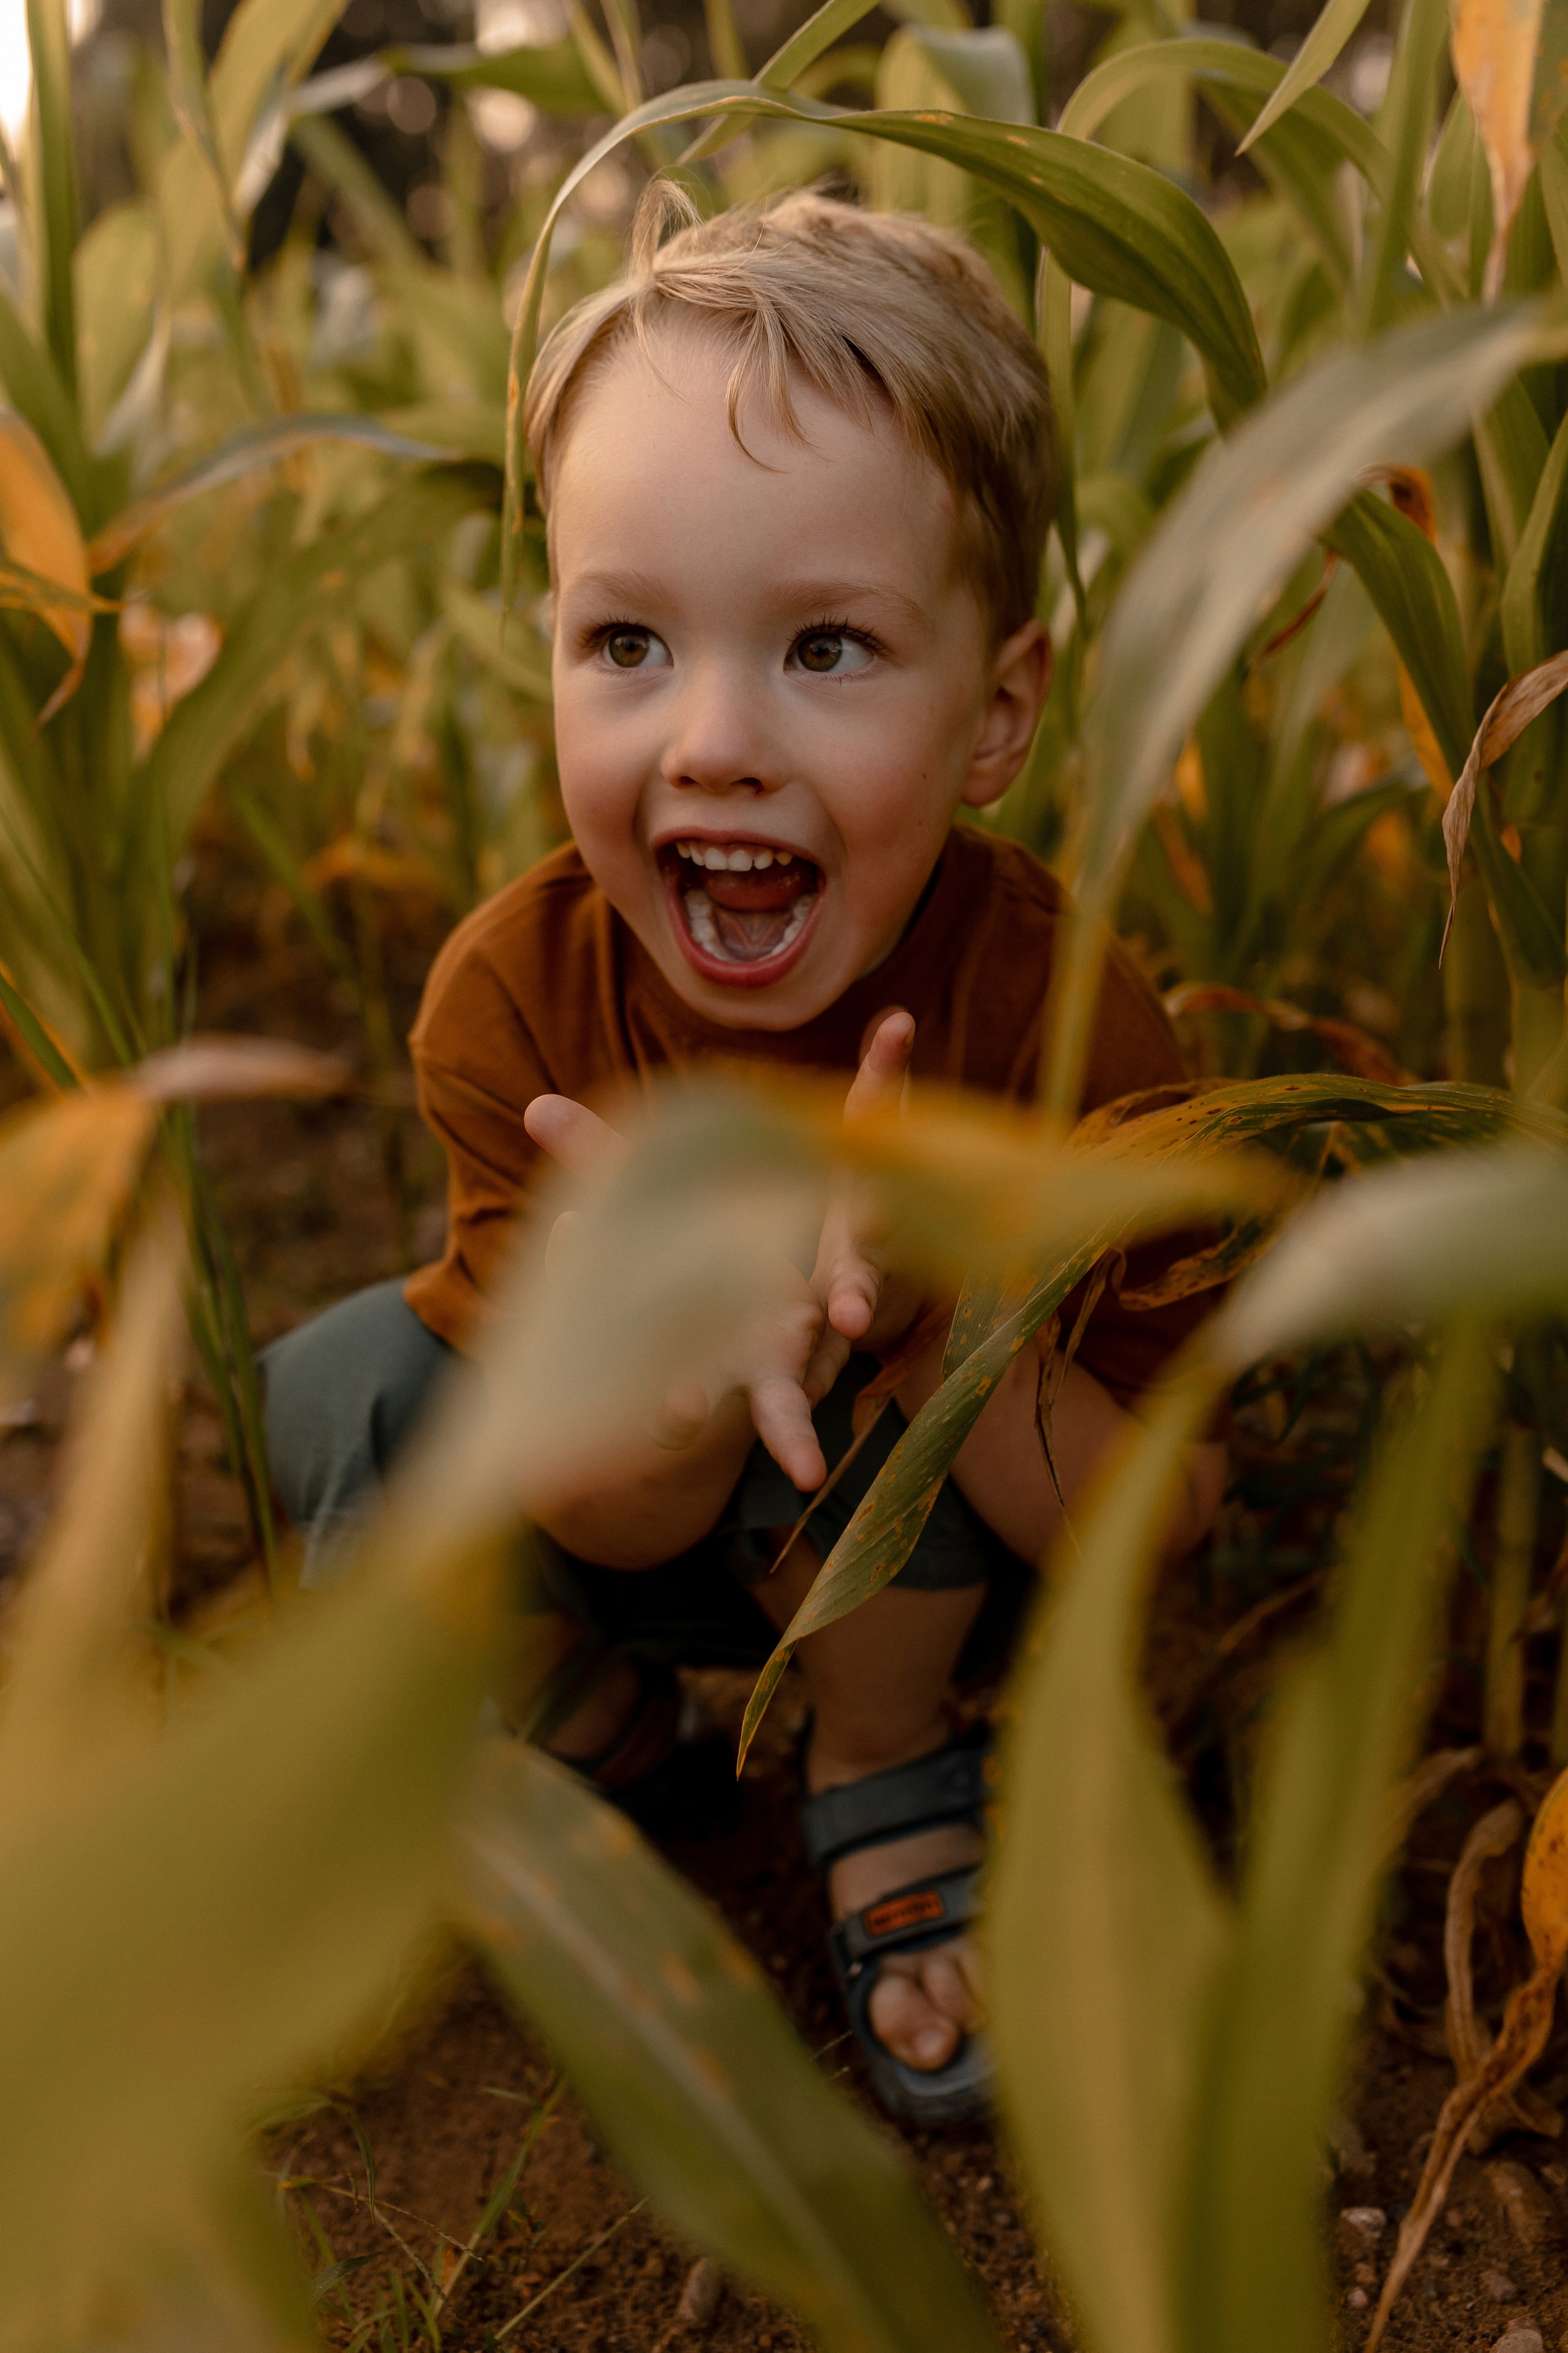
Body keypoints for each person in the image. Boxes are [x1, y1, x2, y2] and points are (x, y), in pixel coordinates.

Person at [263, 186, 1227, 2127]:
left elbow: (1170, 1507)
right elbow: (594, 1506)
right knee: (338, 1392)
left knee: (914, 1399)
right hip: (637, 1511)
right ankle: (594, 1718)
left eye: (828, 648)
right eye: (627, 638)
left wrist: (946, 1305)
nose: (710, 740)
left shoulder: (1063, 1021)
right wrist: (696, 1350)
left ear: (997, 714)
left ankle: (883, 1777)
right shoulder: (512, 1010)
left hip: (939, 1571)